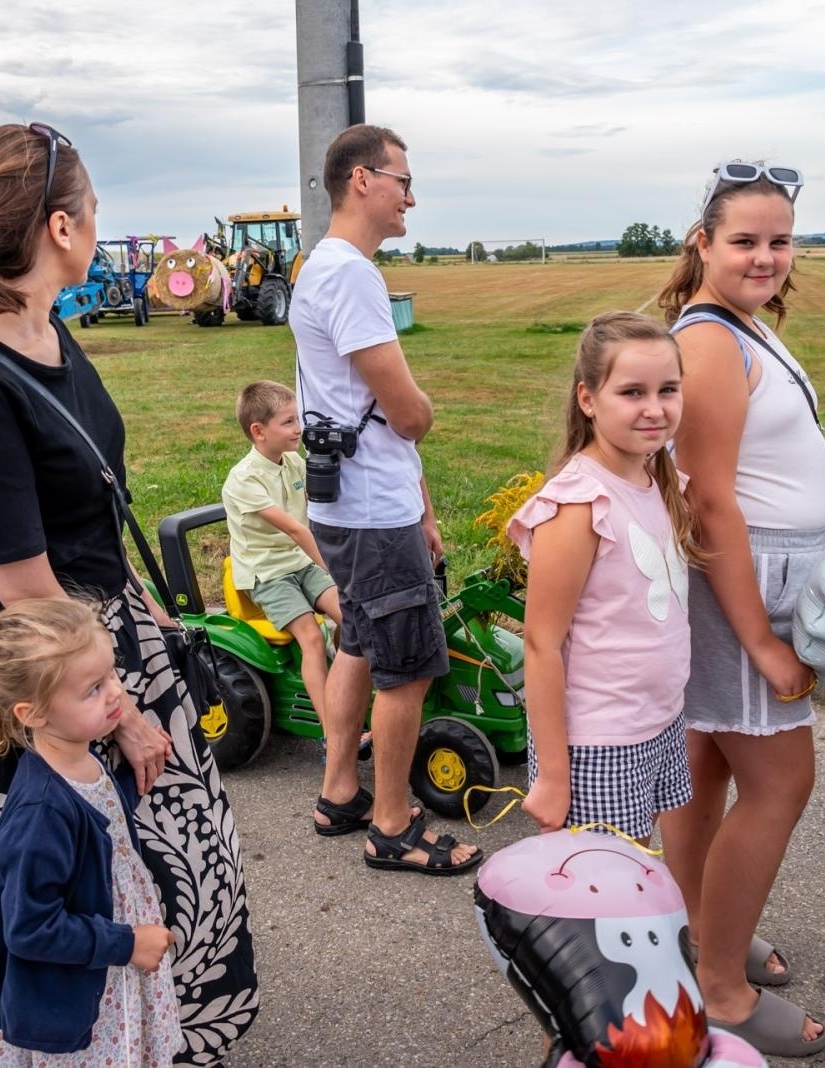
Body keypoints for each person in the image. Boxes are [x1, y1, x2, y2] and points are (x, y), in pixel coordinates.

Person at [0, 122, 255, 1067]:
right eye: (96, 211)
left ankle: (153, 1043)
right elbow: (25, 586)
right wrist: (120, 719)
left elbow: (88, 517)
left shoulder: (48, 328)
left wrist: (144, 622)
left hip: (102, 644)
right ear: (61, 227)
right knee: (60, 906)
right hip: (40, 674)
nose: (101, 227)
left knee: (174, 871)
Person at [654, 160, 825, 1058]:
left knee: (706, 766)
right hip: (746, 586)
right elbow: (709, 500)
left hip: (768, 568)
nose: (765, 256)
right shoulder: (709, 340)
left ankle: (699, 933)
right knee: (781, 781)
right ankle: (718, 991)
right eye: (744, 240)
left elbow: (759, 461)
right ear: (703, 242)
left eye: (779, 240)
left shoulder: (743, 327)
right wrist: (761, 641)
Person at [291, 123, 481, 874]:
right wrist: (428, 410)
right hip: (372, 511)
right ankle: (393, 826)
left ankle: (341, 791)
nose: (411, 195)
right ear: (362, 179)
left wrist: (425, 505)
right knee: (409, 666)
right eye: (403, 179)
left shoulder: (322, 267)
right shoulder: (351, 275)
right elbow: (406, 414)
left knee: (362, 647)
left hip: (351, 506)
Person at [0, 598, 180, 1067]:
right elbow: (30, 927)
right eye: (93, 688)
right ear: (33, 713)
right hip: (79, 983)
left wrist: (125, 798)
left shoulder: (81, 757)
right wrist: (128, 944)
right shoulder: (41, 812)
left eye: (112, 674)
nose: (116, 692)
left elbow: (99, 828)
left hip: (101, 974)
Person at [507, 311, 700, 843]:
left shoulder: (657, 480)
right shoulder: (578, 505)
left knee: (632, 875)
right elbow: (542, 644)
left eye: (668, 390)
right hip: (599, 742)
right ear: (588, 399)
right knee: (599, 898)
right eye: (632, 392)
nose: (655, 409)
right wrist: (552, 774)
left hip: (655, 723)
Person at [222, 380, 344, 723]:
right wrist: (335, 566)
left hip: (301, 562)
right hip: (268, 573)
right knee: (311, 637)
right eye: (288, 422)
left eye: (297, 419)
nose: (299, 428)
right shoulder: (243, 479)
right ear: (259, 431)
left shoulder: (293, 463)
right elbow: (296, 528)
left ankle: (345, 690)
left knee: (352, 617)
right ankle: (331, 727)